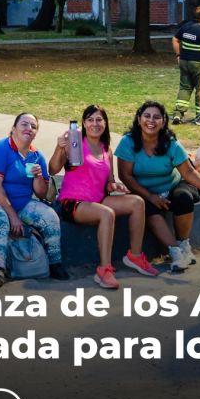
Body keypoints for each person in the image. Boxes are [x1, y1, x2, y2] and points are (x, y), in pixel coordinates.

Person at [49, 104, 159, 289]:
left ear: (106, 123)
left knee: (137, 202)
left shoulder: (106, 149)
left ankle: (135, 256)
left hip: (98, 199)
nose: (95, 123)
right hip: (73, 202)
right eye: (90, 120)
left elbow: (109, 183)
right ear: (83, 123)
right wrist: (59, 148)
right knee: (107, 214)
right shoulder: (74, 143)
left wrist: (115, 186)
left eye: (99, 119)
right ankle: (104, 269)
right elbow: (52, 169)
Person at [115, 101, 200, 271]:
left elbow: (188, 172)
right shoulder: (128, 142)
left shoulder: (170, 143)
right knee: (148, 208)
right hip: (144, 190)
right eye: (146, 116)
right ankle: (175, 252)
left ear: (163, 121)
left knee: (184, 198)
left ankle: (184, 245)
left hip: (172, 184)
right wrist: (151, 196)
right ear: (139, 119)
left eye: (157, 117)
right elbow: (126, 176)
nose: (151, 120)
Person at [0, 112, 68, 287]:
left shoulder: (36, 156)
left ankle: (55, 262)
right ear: (14, 128)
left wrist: (39, 176)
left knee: (50, 216)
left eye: (33, 126)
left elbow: (41, 194)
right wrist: (13, 217)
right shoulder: (0, 149)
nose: (29, 128)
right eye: (24, 124)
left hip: (21, 202)